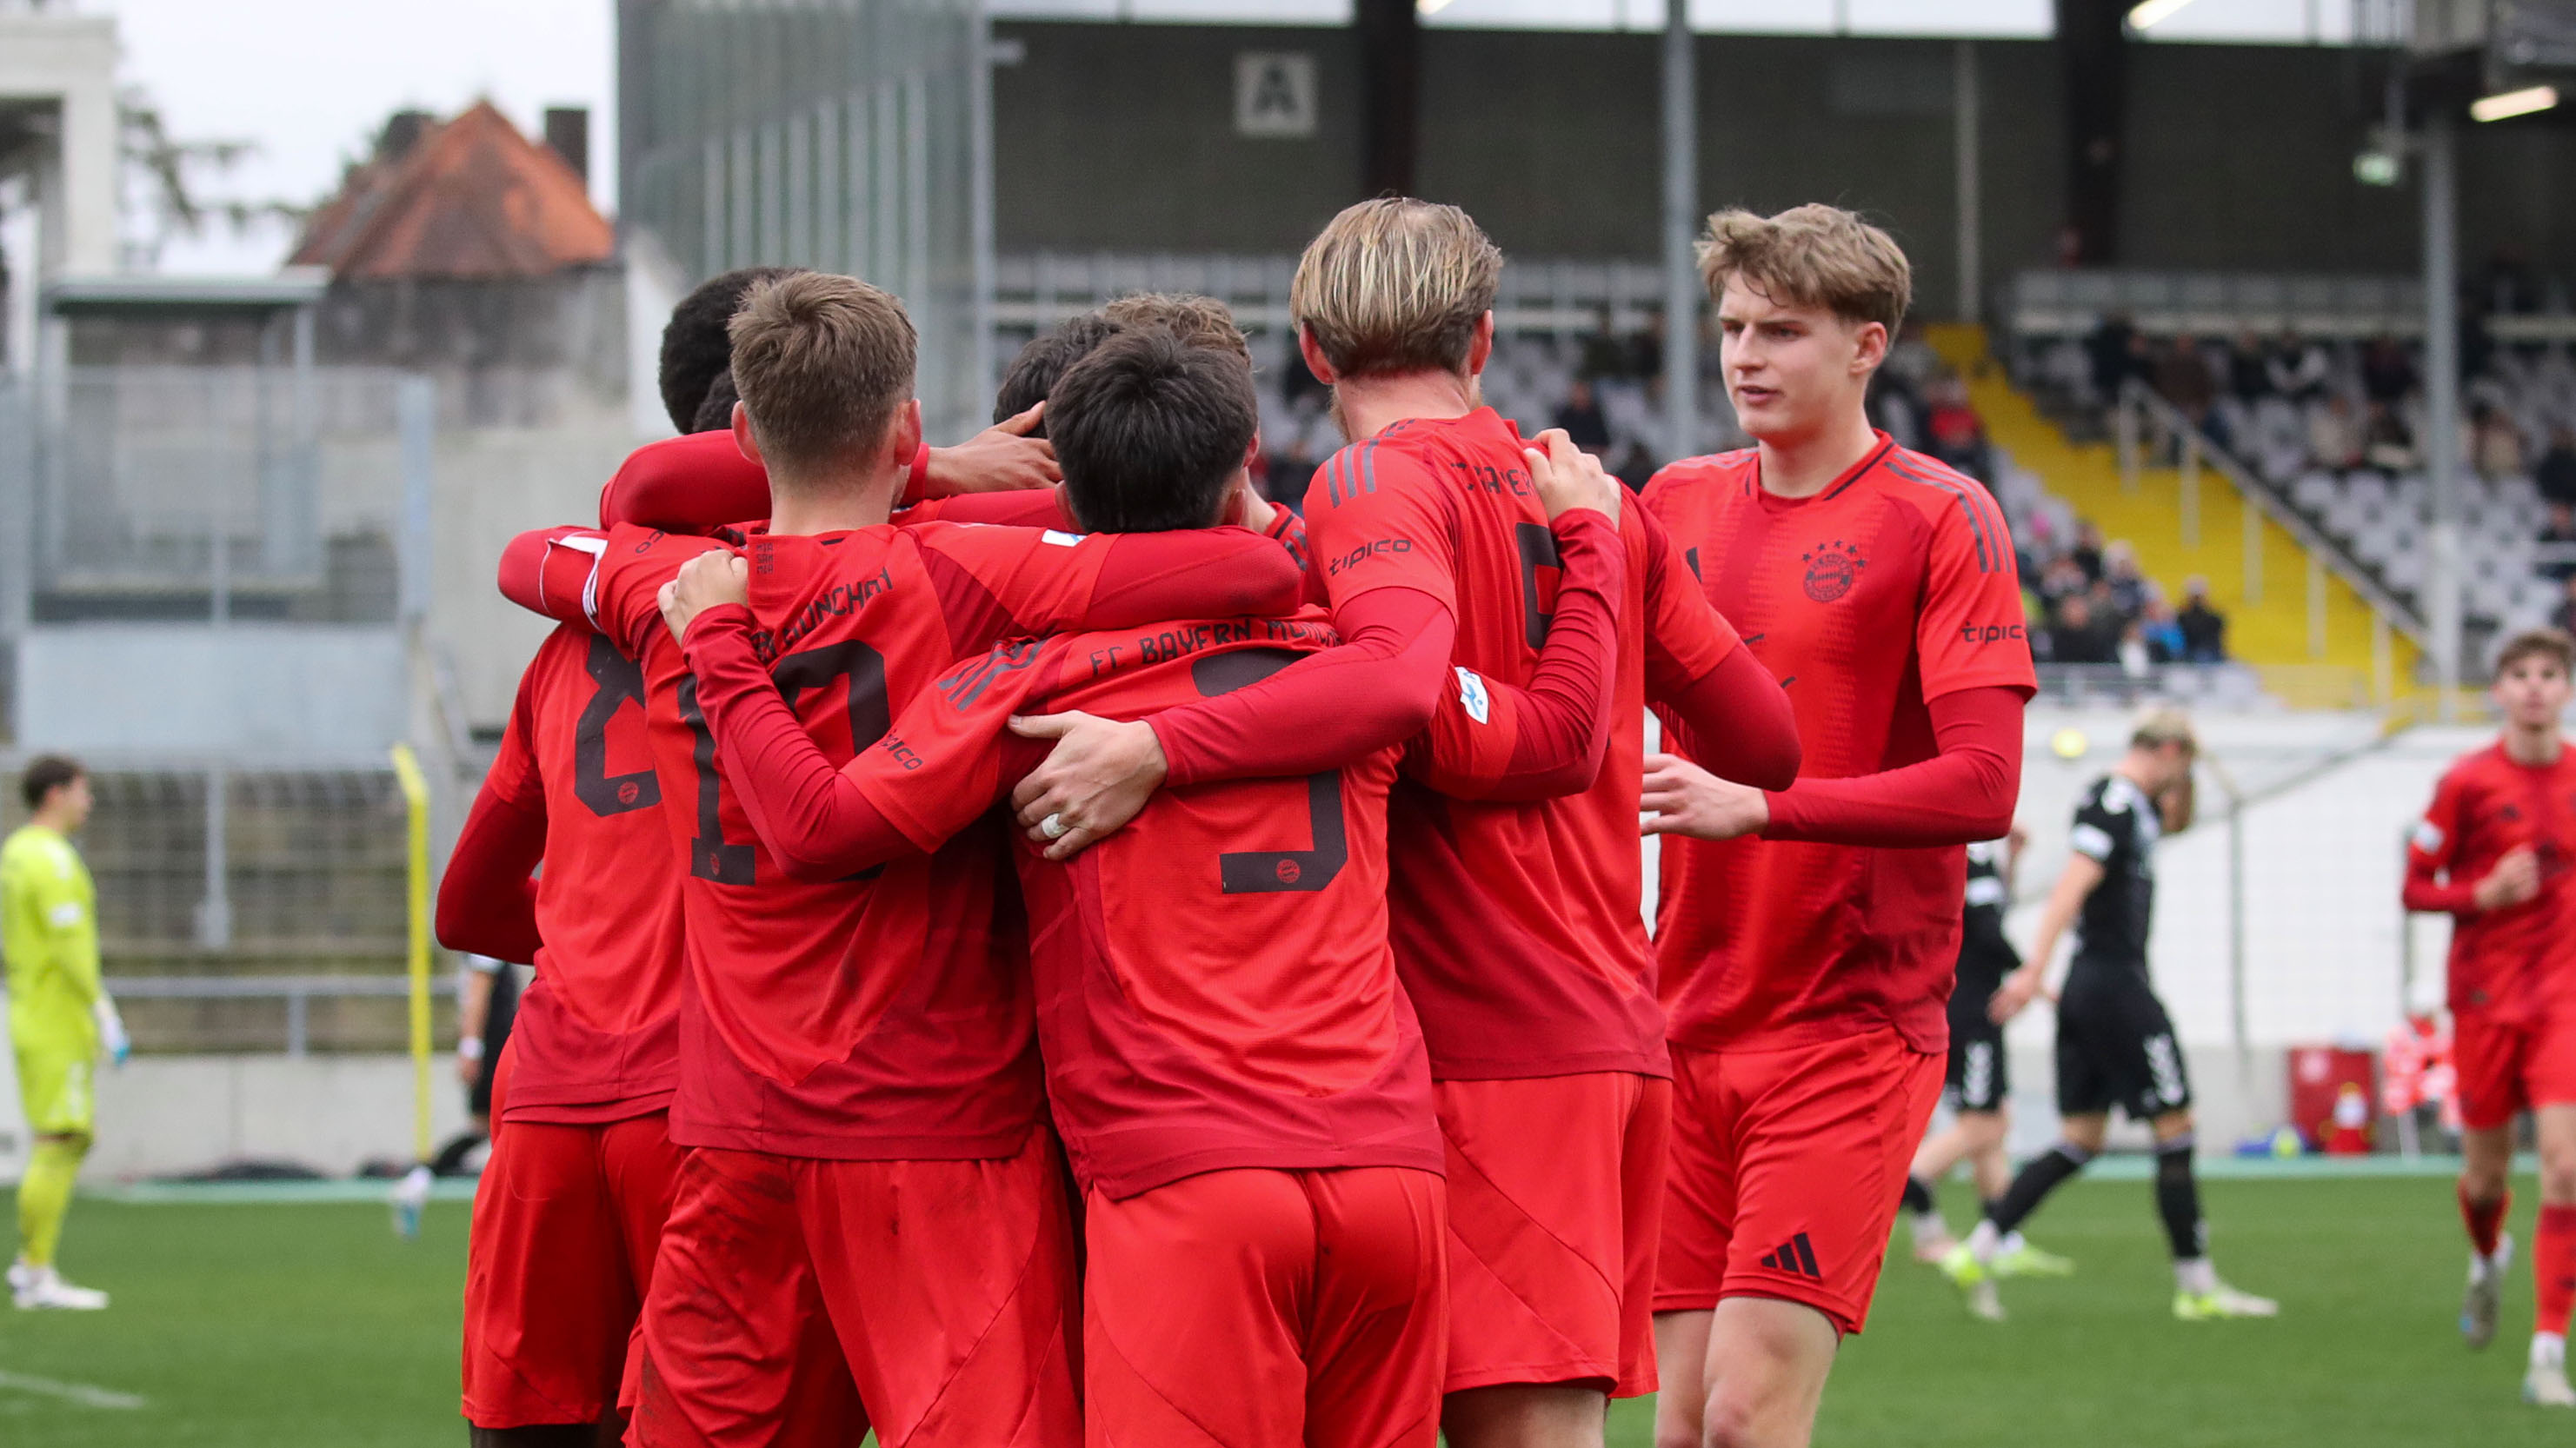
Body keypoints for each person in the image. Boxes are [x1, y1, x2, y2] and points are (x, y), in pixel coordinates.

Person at [667, 329, 1628, 1448]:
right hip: (1387, 1178)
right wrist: (1591, 542)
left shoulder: (1019, 689)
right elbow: (1557, 735)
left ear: (1062, 493)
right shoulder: (1350, 663)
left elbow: (820, 825)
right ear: (1248, 464)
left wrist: (723, 644)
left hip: (1187, 1184)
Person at [992, 197, 1801, 1448]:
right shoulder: (1593, 496)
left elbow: (1451, 715)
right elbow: (1763, 741)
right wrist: (1589, 561)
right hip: (1599, 1026)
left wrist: (1158, 747)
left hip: (1482, 1042)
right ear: (1482, 339)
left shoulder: (1362, 490)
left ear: (1310, 354)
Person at [496, 272, 1308, 1445]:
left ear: (739, 429)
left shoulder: (661, 587)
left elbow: (559, 537)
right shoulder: (966, 569)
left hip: (739, 1131)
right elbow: (1254, 574)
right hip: (935, 1136)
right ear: (908, 428)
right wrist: (956, 509)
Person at [1632, 203, 2034, 1448]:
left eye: (1781, 331)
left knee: (1749, 1416)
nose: (1743, 355)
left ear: (1866, 346)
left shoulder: (1941, 513)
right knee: (1682, 1421)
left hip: (1844, 1026)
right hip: (1677, 1016)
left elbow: (1983, 786)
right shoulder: (1672, 500)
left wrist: (1760, 809)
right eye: (1731, 327)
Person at [1951, 709, 2278, 1324]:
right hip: (2113, 986)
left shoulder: (2132, 808)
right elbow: (2070, 888)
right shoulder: (2112, 801)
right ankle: (2197, 1284)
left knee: (2081, 1138)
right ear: (2170, 750)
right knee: (2175, 1122)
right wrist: (2032, 969)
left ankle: (1980, 1247)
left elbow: (2172, 823)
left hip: (2089, 986)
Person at [2402, 628, 2576, 1405]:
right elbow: (2414, 888)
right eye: (2519, 673)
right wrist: (2480, 894)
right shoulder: (2465, 783)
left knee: (2567, 1168)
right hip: (2481, 1004)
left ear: (2564, 689)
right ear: (2498, 690)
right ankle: (2486, 1257)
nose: (2535, 686)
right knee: (2483, 1180)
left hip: (2562, 1003)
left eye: (2548, 673)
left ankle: (2546, 1352)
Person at [1900, 828, 2070, 1276]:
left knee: (1992, 1129)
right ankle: (1910, 1180)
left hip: (1968, 1011)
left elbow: (1986, 916)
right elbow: (1988, 930)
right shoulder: (1968, 850)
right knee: (1983, 1125)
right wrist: (2031, 977)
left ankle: (2002, 1237)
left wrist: (2010, 862)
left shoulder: (1976, 853)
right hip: (1972, 1014)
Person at [4, 755, 119, 1312]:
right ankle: (33, 1271)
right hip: (55, 1016)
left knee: (74, 1135)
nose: (87, 801)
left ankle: (34, 1268)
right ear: (54, 794)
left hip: (37, 1011)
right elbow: (70, 947)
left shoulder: (18, 852)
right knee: (58, 1138)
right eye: (82, 790)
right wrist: (103, 1008)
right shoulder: (47, 859)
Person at [1556, 377, 1613, 454]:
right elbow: (1560, 441)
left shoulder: (1595, 414)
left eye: (1583, 392)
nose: (1580, 396)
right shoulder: (1566, 415)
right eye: (1578, 392)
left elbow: (1604, 443)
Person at [2178, 578, 2227, 663]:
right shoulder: (2181, 618)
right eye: (2195, 598)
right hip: (2189, 655)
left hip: (2212, 654)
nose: (2197, 602)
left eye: (2198, 598)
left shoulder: (2215, 618)